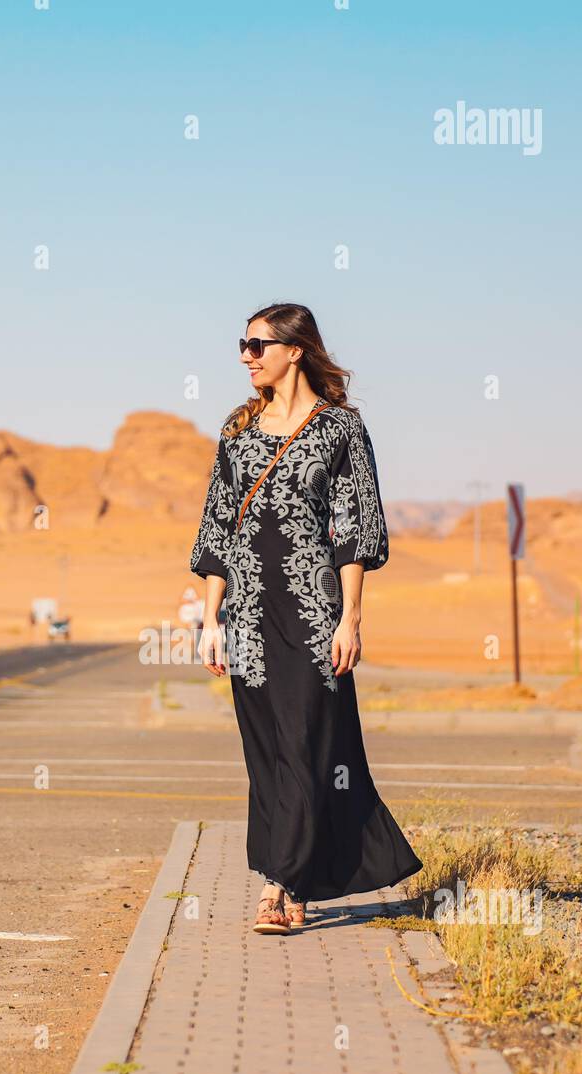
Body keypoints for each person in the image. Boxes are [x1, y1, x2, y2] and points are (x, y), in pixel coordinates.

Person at [190, 302, 422, 934]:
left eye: (258, 345)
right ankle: (293, 874)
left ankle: (281, 885)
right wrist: (211, 620)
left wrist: (350, 619)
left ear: (296, 349)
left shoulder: (340, 430)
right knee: (266, 750)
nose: (245, 355)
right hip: (249, 616)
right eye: (242, 344)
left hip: (315, 614)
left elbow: (355, 529)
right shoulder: (236, 433)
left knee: (305, 743)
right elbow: (217, 529)